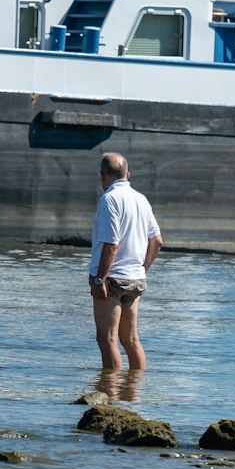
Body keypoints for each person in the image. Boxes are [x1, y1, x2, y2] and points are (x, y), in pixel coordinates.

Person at [89, 152, 162, 371]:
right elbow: (157, 241)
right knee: (131, 339)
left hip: (112, 279)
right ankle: (135, 388)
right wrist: (142, 269)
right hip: (135, 278)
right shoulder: (141, 199)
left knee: (107, 339)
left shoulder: (109, 199)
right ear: (128, 174)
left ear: (102, 176)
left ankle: (110, 389)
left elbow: (112, 245)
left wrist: (99, 279)